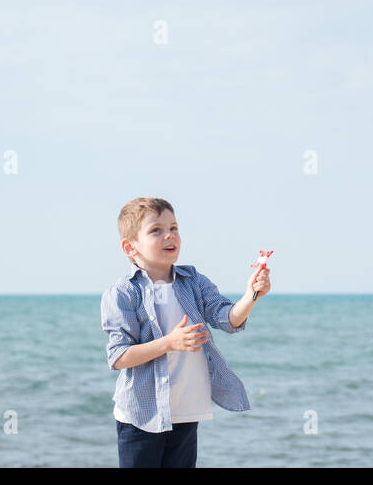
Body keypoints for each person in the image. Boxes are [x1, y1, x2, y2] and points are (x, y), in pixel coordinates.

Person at [101, 197, 270, 467]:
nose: (170, 235)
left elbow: (227, 318)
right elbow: (119, 356)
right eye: (156, 230)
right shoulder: (123, 293)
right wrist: (169, 342)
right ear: (130, 247)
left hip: (186, 410)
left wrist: (252, 295)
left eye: (174, 227)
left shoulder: (193, 281)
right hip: (142, 415)